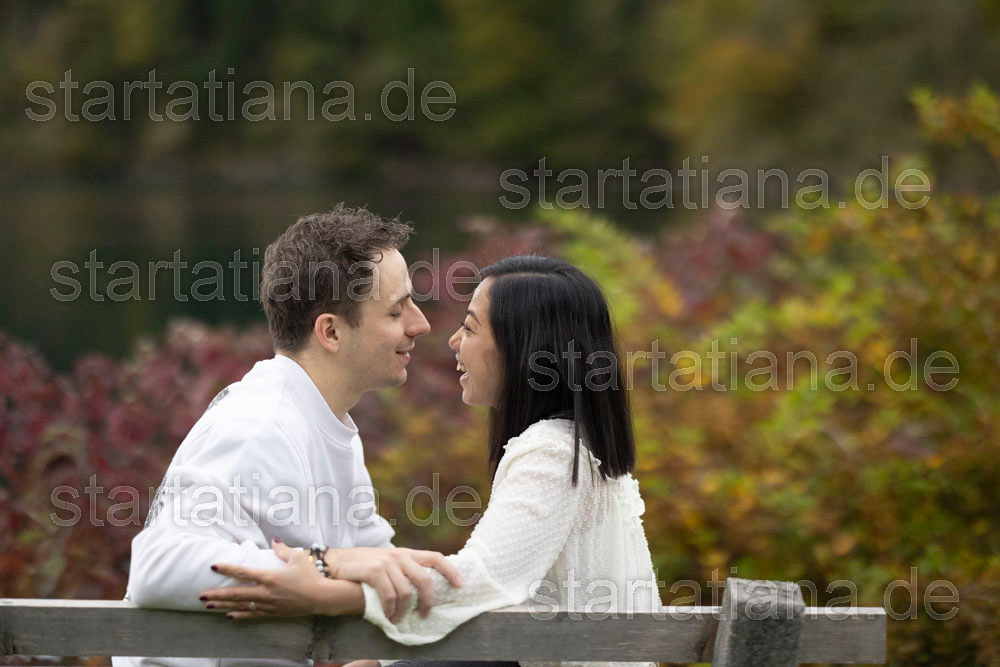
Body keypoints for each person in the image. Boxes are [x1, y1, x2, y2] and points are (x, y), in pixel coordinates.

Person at [200, 256, 660, 667]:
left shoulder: (552, 454)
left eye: (471, 328)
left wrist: (326, 590)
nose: (453, 341)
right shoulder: (575, 449)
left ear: (523, 348)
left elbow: (481, 580)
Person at [113, 205, 463, 667]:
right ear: (331, 332)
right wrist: (326, 563)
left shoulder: (326, 420)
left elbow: (378, 567)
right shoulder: (259, 426)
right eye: (397, 310)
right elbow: (156, 566)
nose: (420, 324)